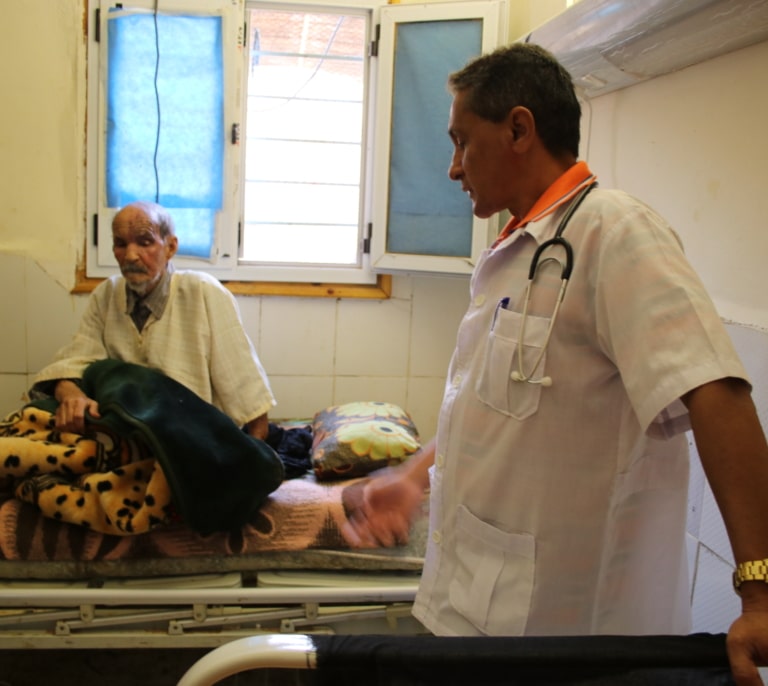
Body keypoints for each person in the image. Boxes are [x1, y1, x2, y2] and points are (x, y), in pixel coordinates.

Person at [342, 44, 768, 684]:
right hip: (478, 612)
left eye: (462, 142)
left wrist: (759, 592)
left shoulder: (615, 232)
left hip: (569, 631)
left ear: (518, 128)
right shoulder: (517, 251)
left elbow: (717, 393)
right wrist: (413, 476)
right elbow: (493, 413)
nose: (454, 168)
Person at [30, 200, 275, 440]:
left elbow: (244, 386)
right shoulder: (107, 294)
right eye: (120, 244)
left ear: (170, 247)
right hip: (124, 434)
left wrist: (254, 454)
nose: (131, 256)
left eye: (145, 242)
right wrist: (71, 394)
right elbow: (77, 359)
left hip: (190, 439)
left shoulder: (202, 291)